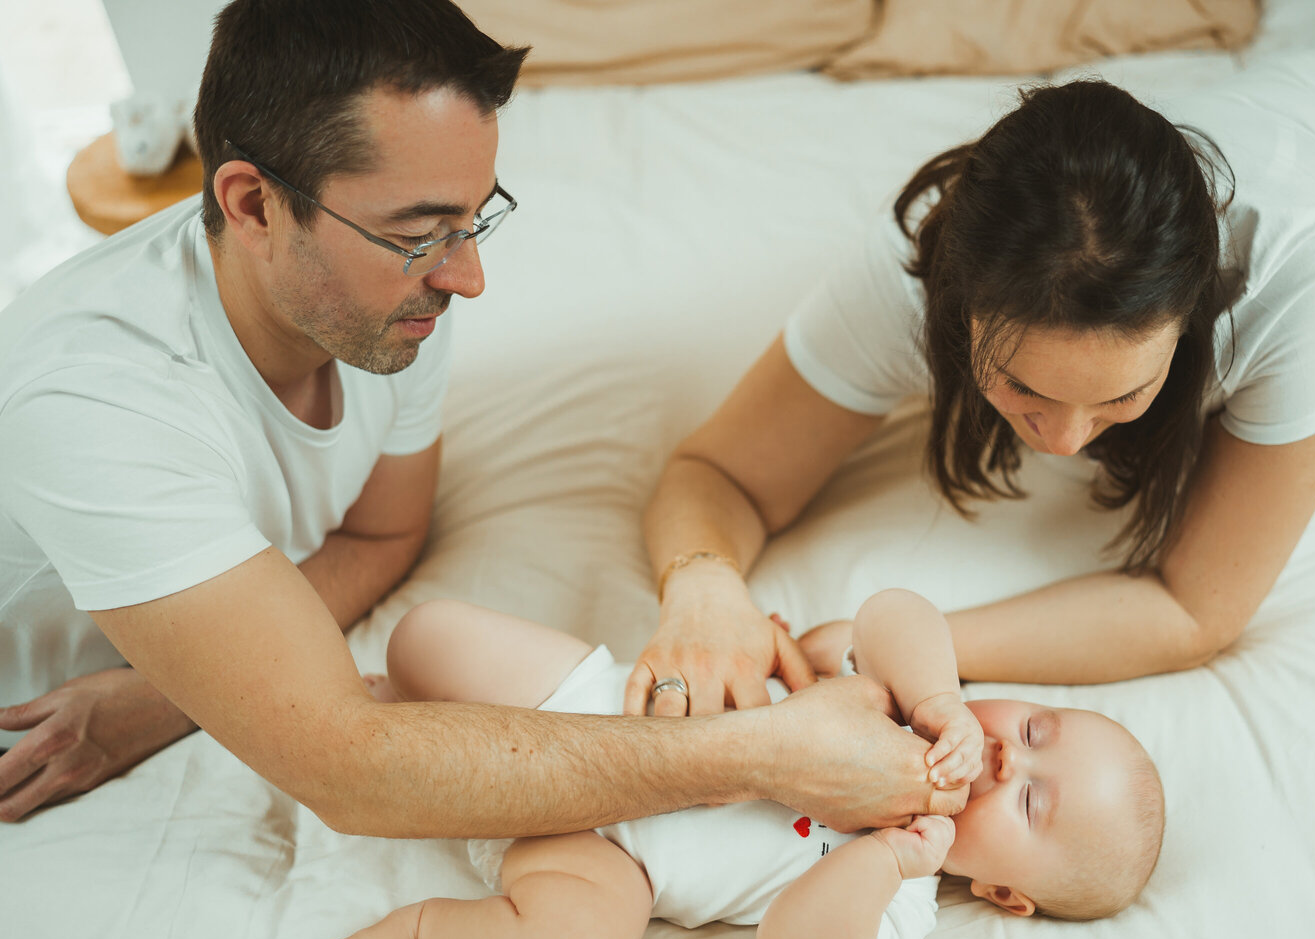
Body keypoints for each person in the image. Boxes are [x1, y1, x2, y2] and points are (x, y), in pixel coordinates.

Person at [0, 0, 963, 833]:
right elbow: (350, 767)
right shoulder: (94, 399)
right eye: (421, 235)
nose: (467, 276)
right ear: (253, 205)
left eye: (474, 218)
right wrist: (754, 754)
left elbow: (386, 529)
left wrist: (166, 698)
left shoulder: (390, 297)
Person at [629, 25, 1315, 708]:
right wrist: (703, 585)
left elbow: (1192, 607)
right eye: (1022, 389)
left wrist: (902, 642)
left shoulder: (1303, 274)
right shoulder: (917, 272)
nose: (1064, 439)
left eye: (1123, 395)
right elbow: (719, 474)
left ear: (1197, 315)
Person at [320, 590, 1164, 939]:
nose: (1010, 759)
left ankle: (424, 931)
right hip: (595, 705)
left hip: (606, 860)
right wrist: (940, 695)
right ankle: (419, 717)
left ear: (1004, 894)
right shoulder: (897, 691)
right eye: (1037, 729)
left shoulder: (903, 901)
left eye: (1032, 806)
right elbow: (892, 610)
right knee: (427, 633)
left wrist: (883, 856)